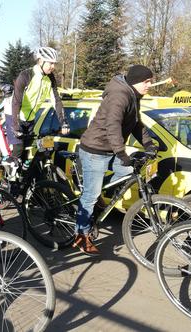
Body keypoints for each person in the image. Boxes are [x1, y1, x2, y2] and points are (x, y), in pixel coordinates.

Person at [74, 64, 158, 255]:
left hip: (110, 149)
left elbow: (136, 123)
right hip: (95, 148)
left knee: (128, 173)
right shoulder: (120, 95)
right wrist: (122, 153)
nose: (149, 85)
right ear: (136, 82)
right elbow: (113, 126)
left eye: (150, 81)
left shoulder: (134, 95)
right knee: (90, 195)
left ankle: (95, 192)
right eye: (147, 82)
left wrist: (149, 144)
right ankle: (81, 236)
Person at [10, 46, 69, 158]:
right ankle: (10, 173)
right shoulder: (25, 76)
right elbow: (16, 102)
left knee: (29, 154)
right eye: (50, 63)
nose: (53, 67)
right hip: (14, 116)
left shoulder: (50, 78)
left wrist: (64, 122)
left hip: (31, 119)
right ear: (41, 61)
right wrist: (16, 125)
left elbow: (56, 101)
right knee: (18, 152)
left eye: (54, 64)